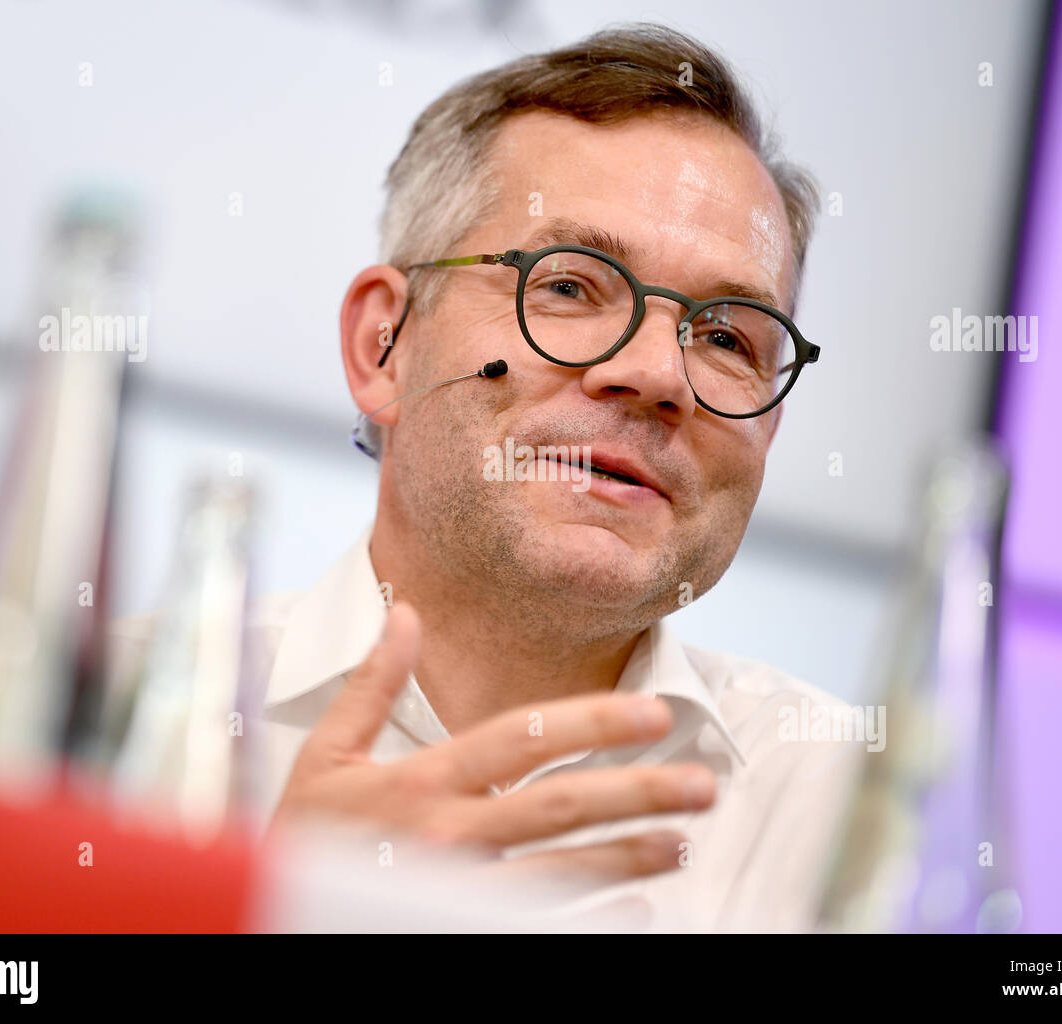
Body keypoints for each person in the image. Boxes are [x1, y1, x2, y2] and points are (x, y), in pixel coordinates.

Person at [128, 23, 863, 932]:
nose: (659, 376)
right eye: (569, 285)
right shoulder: (85, 729)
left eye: (726, 338)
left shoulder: (850, 812)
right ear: (383, 344)